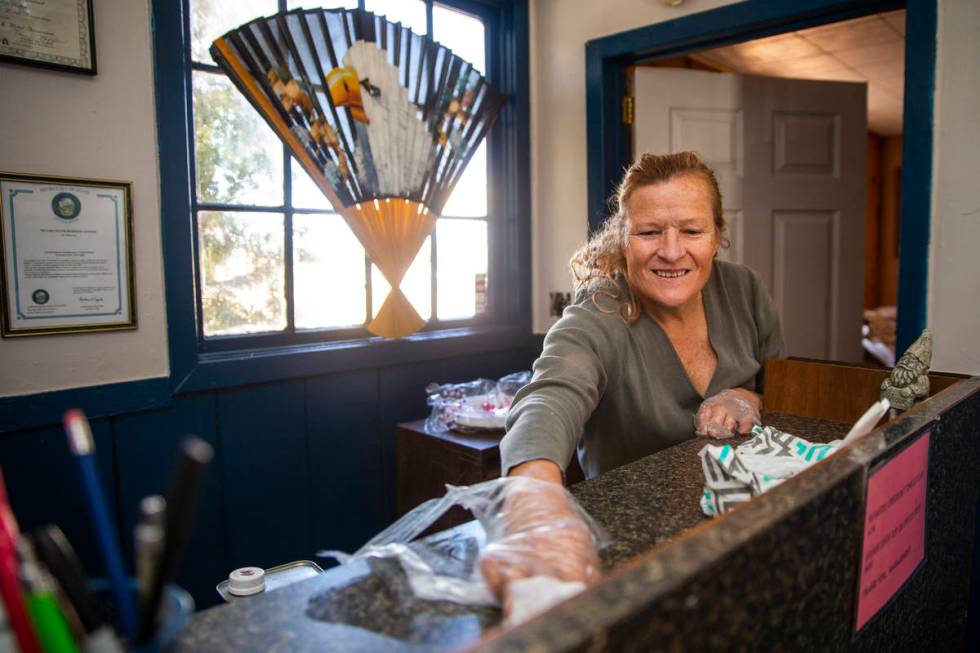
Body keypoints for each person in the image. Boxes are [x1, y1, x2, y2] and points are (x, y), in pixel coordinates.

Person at [479, 151, 785, 613]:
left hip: (749, 529)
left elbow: (787, 390)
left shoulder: (745, 290)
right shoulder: (597, 316)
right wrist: (533, 504)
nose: (670, 249)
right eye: (648, 232)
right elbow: (549, 399)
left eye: (692, 230)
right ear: (623, 237)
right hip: (638, 555)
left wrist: (750, 396)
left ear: (718, 235)